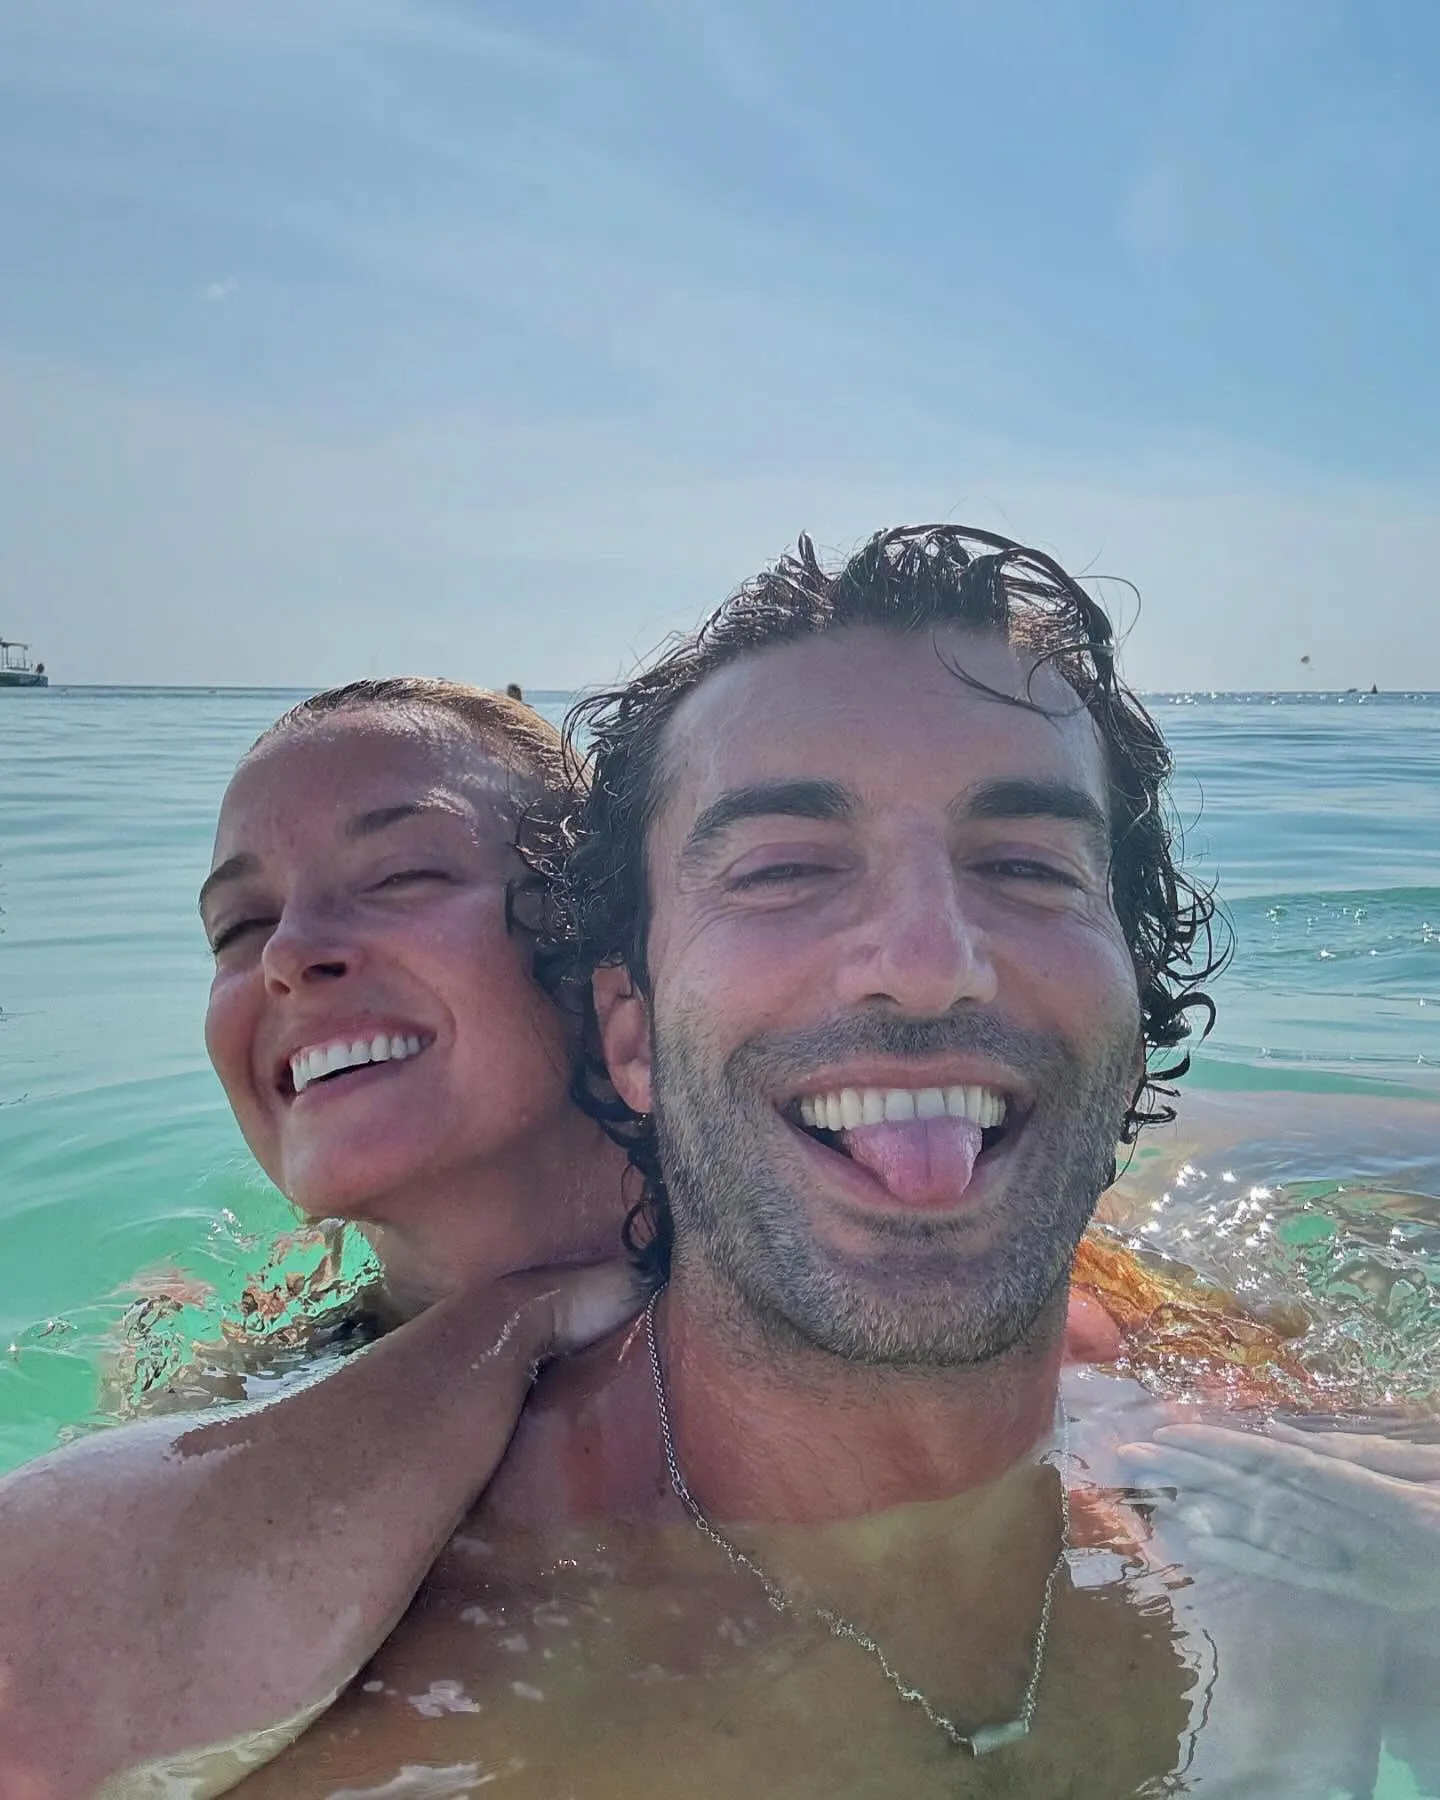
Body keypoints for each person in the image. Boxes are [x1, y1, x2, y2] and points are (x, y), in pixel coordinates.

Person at [201, 527, 1438, 1798]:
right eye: (784, 867)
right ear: (627, 1032)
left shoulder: (1270, 1485)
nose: (928, 959)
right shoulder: (377, 1661)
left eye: (1027, 864)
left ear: (1133, 1026)